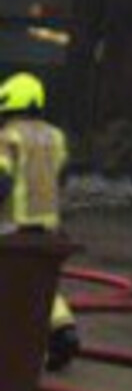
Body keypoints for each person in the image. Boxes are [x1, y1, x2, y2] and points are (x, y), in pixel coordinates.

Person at [0, 70, 80, 370]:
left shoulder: (8, 137)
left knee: (11, 282)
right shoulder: (55, 136)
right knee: (41, 284)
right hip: (49, 228)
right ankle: (64, 330)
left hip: (13, 227)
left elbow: (1, 181)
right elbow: (62, 176)